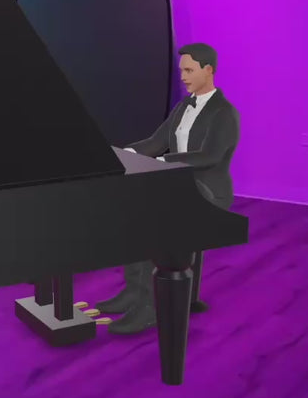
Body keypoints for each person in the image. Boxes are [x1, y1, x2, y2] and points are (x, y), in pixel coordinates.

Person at [96, 42, 240, 334]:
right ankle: (134, 292)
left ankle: (150, 307)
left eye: (189, 70)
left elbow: (209, 156)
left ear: (208, 70)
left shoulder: (225, 112)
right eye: (181, 71)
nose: (183, 77)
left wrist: (163, 161)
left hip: (209, 190)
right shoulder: (183, 106)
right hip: (178, 184)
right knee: (132, 213)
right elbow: (156, 141)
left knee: (155, 217)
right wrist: (123, 153)